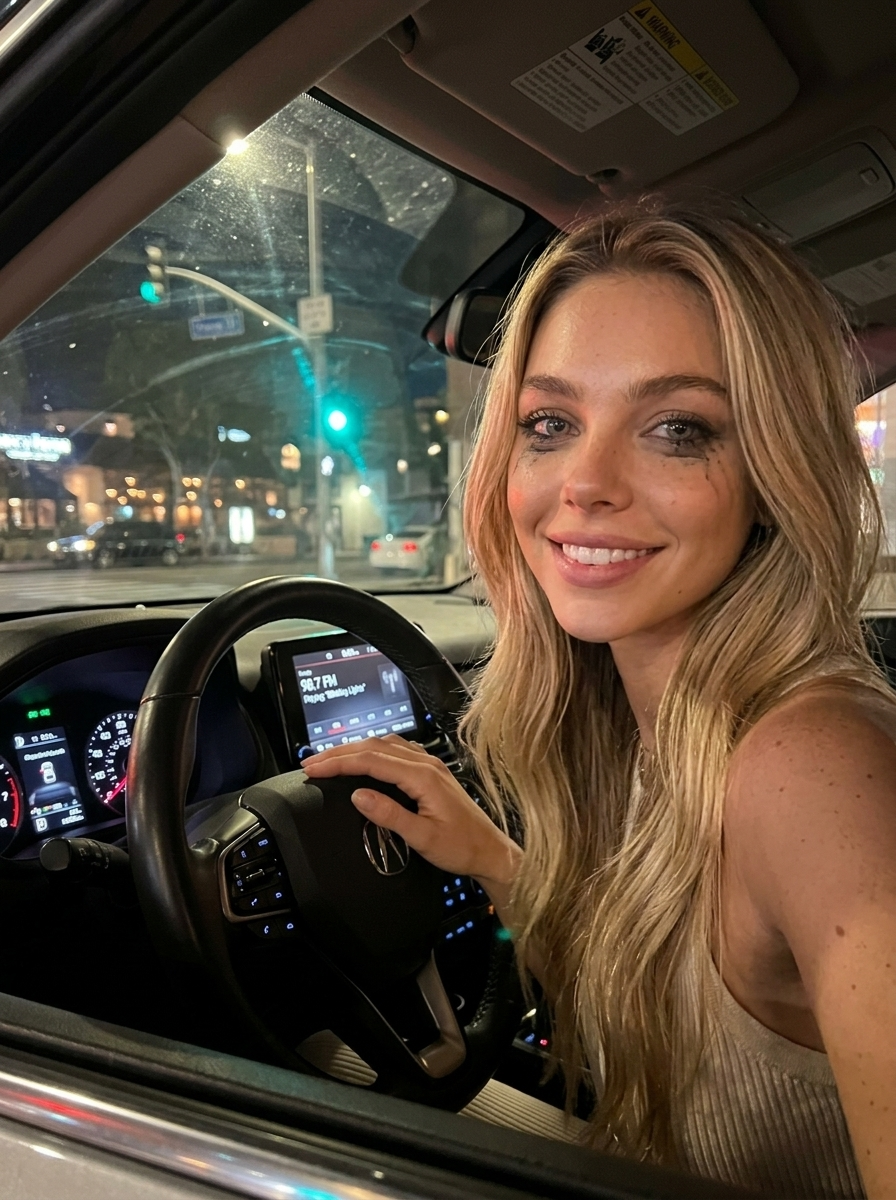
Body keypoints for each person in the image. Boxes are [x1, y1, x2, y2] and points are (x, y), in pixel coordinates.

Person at [301, 200, 896, 1199]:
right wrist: (489, 859)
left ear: (772, 471)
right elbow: (668, 1006)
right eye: (549, 422)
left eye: (675, 428)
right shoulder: (641, 724)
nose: (583, 481)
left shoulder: (815, 764)